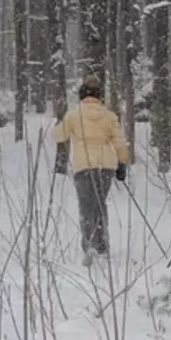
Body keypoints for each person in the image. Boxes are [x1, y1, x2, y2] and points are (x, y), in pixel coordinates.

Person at [53, 75, 130, 264]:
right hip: (105, 167)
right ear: (99, 95)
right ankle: (102, 246)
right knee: (100, 205)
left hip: (84, 166)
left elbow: (58, 136)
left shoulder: (74, 114)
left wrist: (61, 120)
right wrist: (122, 163)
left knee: (87, 208)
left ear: (82, 94)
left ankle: (90, 247)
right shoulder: (109, 115)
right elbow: (119, 141)